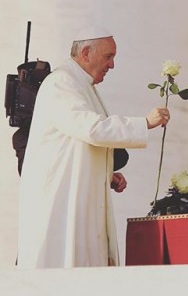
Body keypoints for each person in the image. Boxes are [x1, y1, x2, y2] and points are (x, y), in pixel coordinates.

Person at [17, 26, 169, 268]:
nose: (112, 65)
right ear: (86, 52)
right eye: (108, 56)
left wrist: (104, 173)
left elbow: (75, 146)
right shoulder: (61, 83)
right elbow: (91, 129)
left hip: (79, 199)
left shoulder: (82, 85)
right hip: (61, 204)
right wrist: (144, 123)